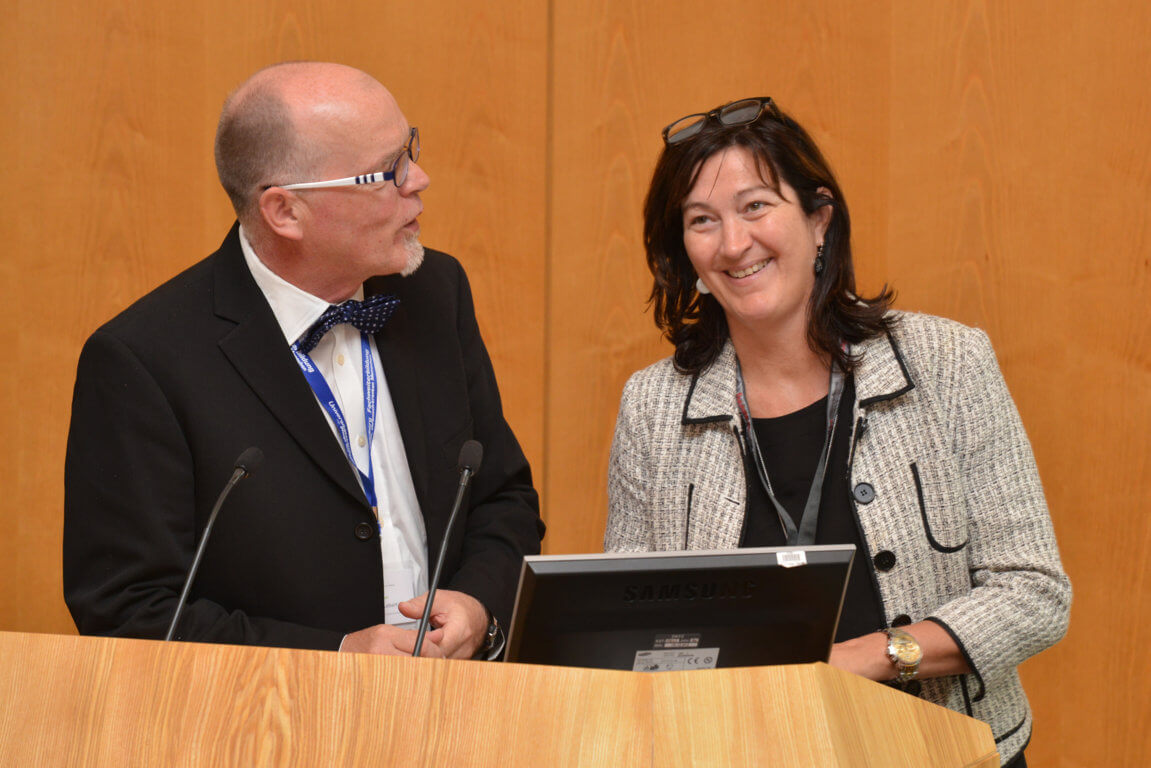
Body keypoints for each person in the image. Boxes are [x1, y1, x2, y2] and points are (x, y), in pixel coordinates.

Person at [605, 97, 1069, 766]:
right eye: (702, 220)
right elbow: (633, 625)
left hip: (944, 751)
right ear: (684, 251)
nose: (733, 244)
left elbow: (1033, 593)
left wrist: (872, 657)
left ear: (818, 220)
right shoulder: (651, 405)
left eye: (755, 206)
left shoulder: (947, 362)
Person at [64, 62, 544, 660]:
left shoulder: (434, 292)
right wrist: (334, 656)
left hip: (456, 699)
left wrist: (478, 605)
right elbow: (128, 609)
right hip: (268, 712)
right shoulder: (144, 362)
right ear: (285, 211)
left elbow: (502, 498)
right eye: (388, 171)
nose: (419, 179)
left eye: (410, 151)